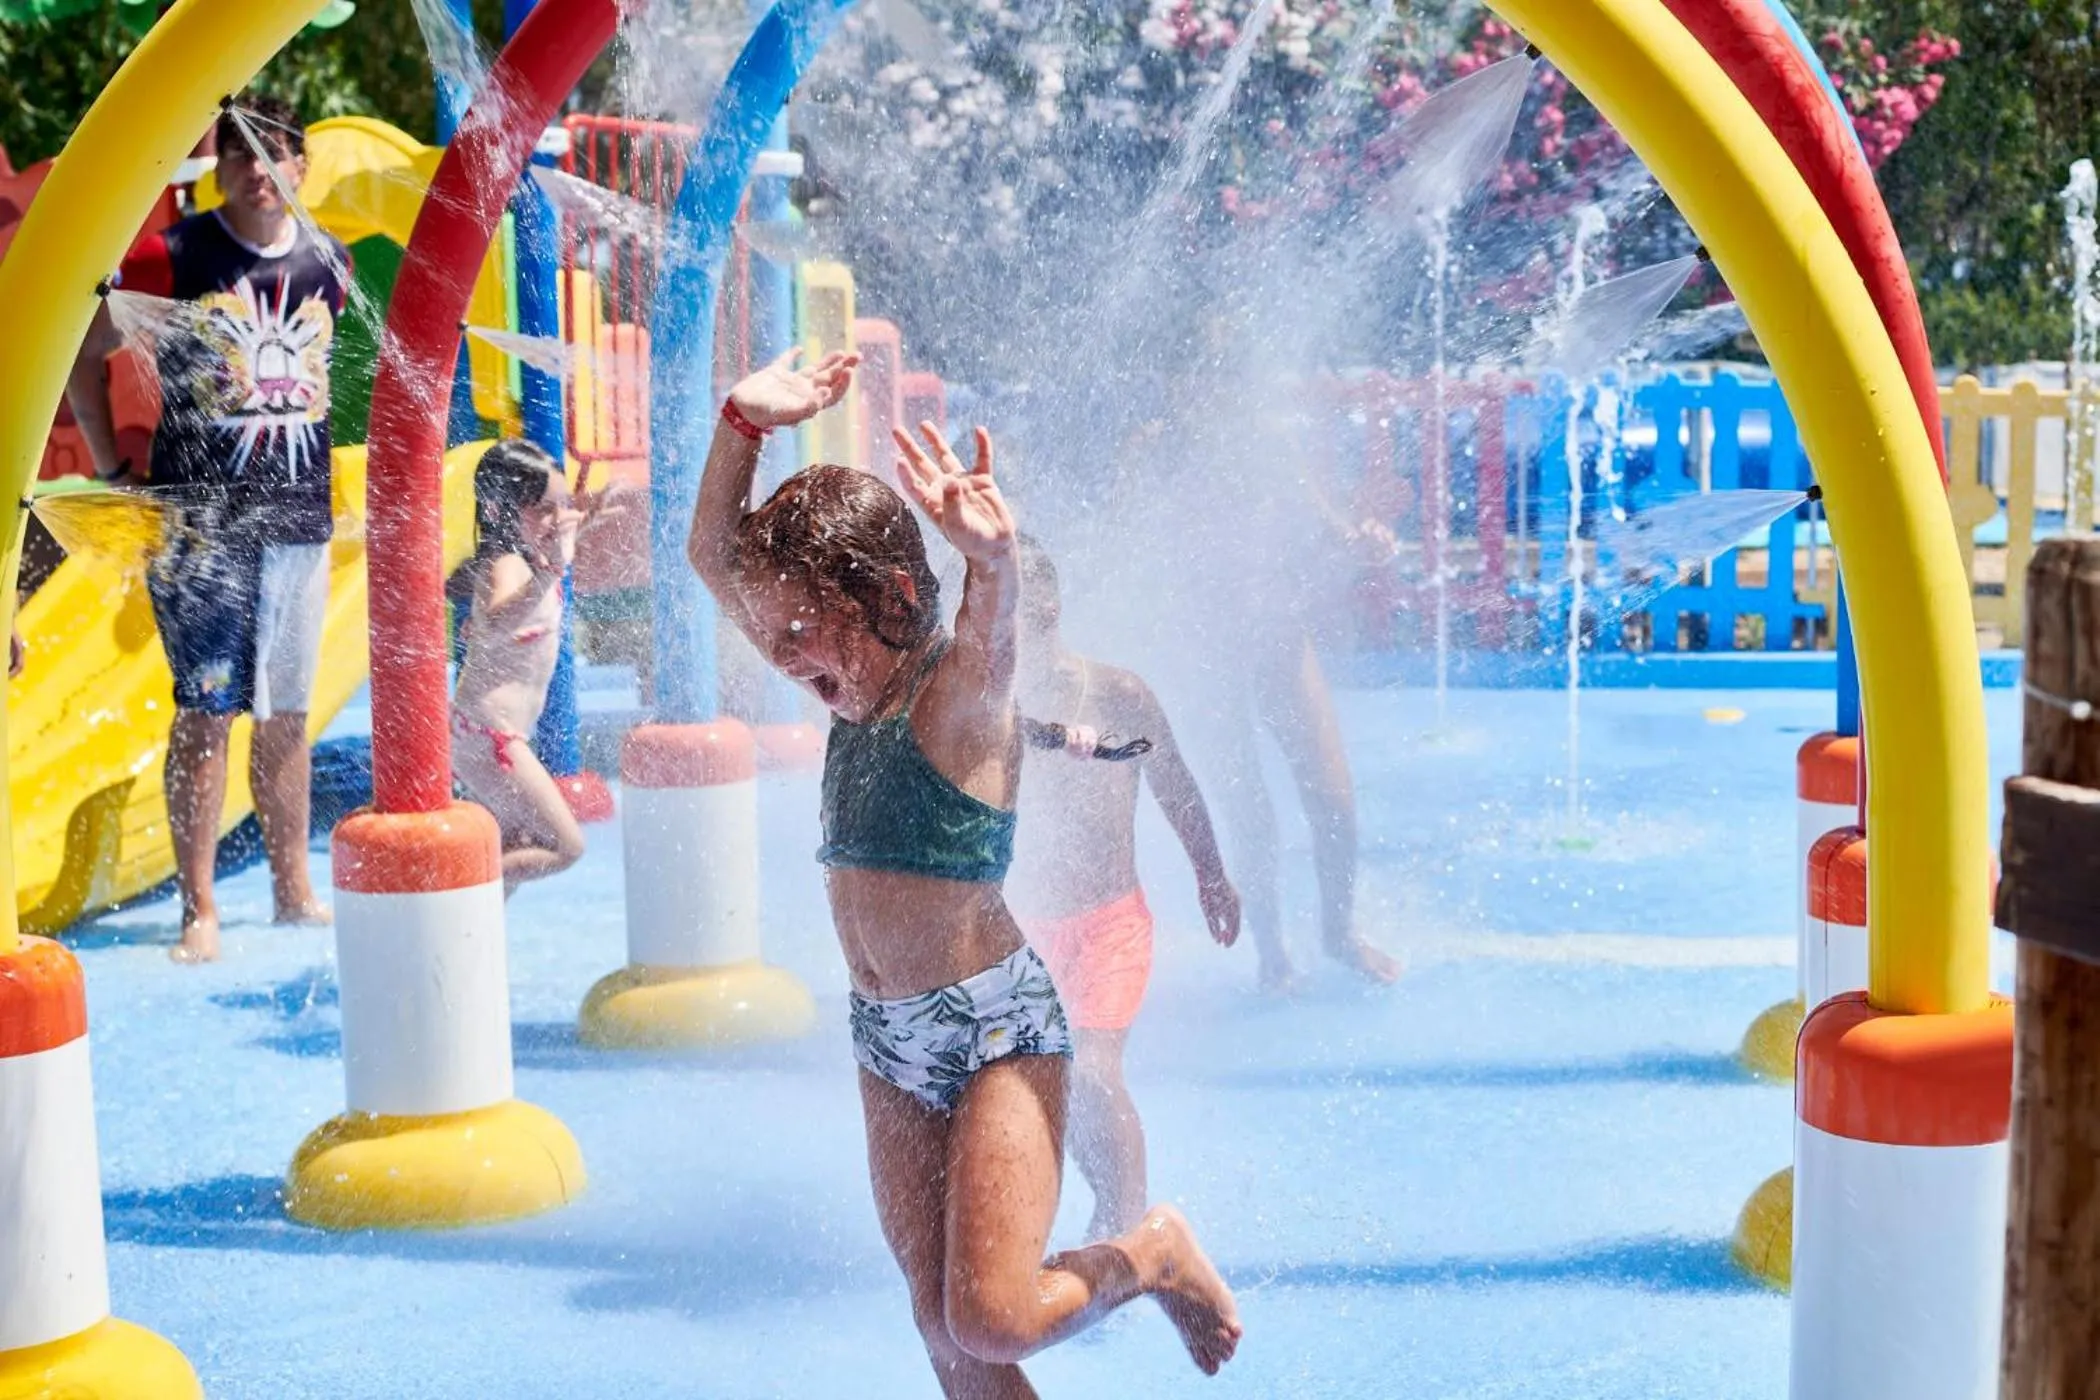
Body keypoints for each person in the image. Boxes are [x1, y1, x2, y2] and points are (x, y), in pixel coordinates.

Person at [688, 350, 1242, 1395]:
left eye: (800, 630)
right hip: (887, 1039)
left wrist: (994, 565)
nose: (778, 655)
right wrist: (739, 426)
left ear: (886, 597)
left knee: (992, 1314)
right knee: (943, 1331)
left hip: (997, 1028)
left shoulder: (952, 695)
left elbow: (991, 645)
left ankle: (1153, 1248)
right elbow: (716, 554)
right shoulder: (846, 690)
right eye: (770, 636)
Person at [65, 94, 347, 962]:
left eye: (275, 158)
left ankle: (293, 886)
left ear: (302, 167)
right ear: (217, 168)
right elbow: (83, 353)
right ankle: (200, 909)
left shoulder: (329, 262)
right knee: (205, 714)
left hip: (298, 521)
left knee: (288, 716)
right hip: (200, 526)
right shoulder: (172, 256)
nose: (259, 175)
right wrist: (114, 469)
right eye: (240, 158)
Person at [1007, 534, 1240, 1242]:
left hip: (1109, 925)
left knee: (1094, 1071)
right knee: (1039, 1085)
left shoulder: (1118, 694)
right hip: (1023, 929)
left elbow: (1176, 786)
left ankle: (1127, 1233)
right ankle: (1089, 1215)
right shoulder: (983, 707)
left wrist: (1211, 874)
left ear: (1044, 603)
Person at [451, 440, 588, 892]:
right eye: (543, 509)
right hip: (489, 734)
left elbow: (489, 623)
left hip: (488, 733)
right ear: (501, 509)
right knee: (567, 847)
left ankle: (471, 947)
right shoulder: (505, 563)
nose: (555, 520)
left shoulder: (526, 563)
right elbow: (498, 619)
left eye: (561, 507)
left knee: (518, 839)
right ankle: (452, 897)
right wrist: (552, 572)